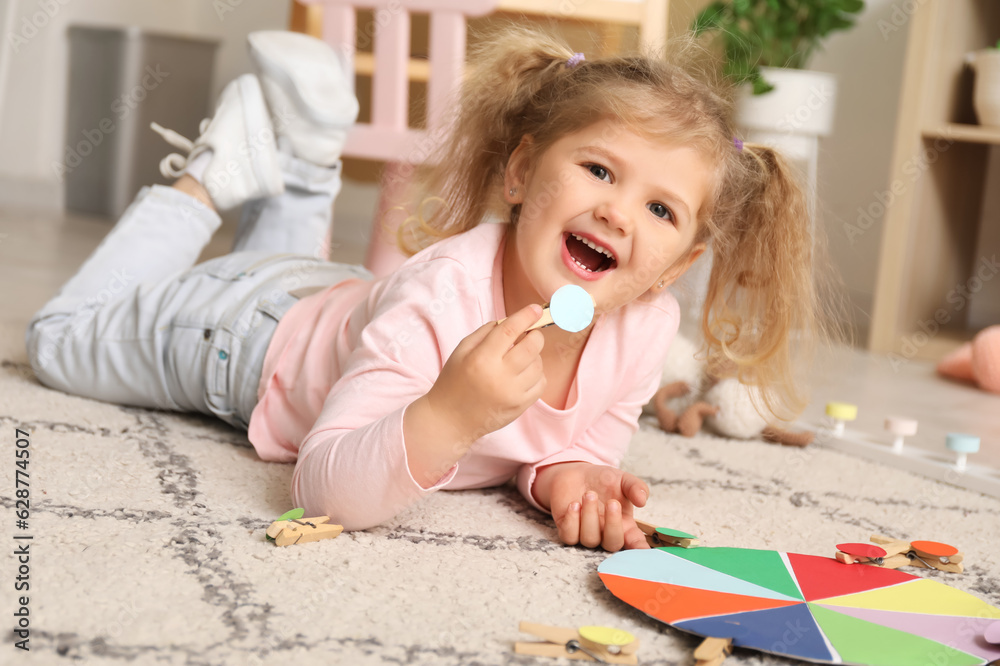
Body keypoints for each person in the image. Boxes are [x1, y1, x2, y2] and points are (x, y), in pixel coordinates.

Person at [25, 27, 830, 553]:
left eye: (661, 209)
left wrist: (570, 475)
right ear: (519, 173)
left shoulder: (642, 328)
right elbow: (322, 489)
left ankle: (301, 167)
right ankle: (207, 180)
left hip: (341, 303)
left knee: (335, 302)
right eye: (598, 169)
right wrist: (450, 413)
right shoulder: (443, 294)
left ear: (674, 269)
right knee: (58, 342)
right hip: (241, 335)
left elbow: (568, 439)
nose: (619, 212)